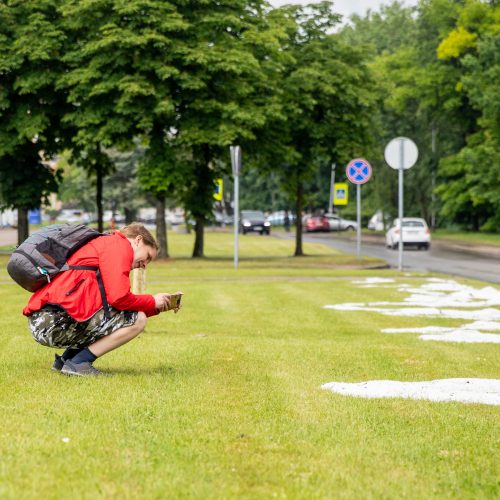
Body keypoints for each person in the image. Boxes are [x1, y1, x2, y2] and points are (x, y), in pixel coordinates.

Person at [23, 223, 178, 377]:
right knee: (139, 320)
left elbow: (115, 307)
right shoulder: (119, 246)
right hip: (51, 321)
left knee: (116, 317)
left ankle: (66, 360)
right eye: (147, 257)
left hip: (46, 320)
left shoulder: (108, 244)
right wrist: (152, 301)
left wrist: (158, 306)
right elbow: (119, 298)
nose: (144, 265)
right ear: (138, 240)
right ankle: (79, 363)